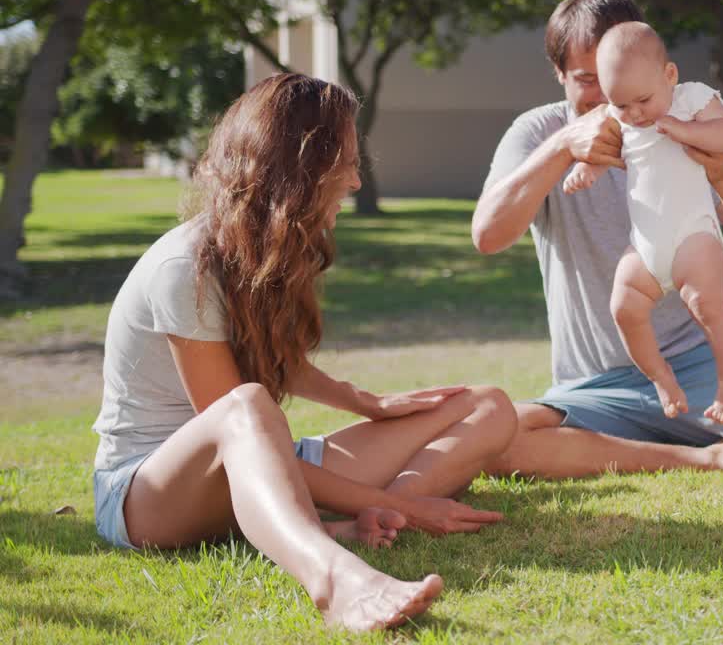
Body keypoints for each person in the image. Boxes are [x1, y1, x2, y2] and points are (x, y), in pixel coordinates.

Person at [91, 73, 517, 631]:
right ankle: (335, 577)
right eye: (342, 159)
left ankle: (359, 516)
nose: (357, 180)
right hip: (145, 494)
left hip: (258, 461)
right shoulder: (184, 269)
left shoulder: (271, 249)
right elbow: (230, 425)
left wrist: (368, 404)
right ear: (296, 167)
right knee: (247, 406)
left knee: (485, 405)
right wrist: (413, 504)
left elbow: (276, 361)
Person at [473, 0, 723, 478]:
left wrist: (721, 172)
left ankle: (721, 431)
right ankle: (707, 456)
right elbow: (487, 237)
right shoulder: (538, 132)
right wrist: (563, 149)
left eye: (621, 82)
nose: (611, 102)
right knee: (489, 444)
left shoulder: (685, 114)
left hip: (699, 362)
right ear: (559, 75)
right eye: (587, 81)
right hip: (594, 385)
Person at [563, 22, 723, 425]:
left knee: (706, 304)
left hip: (693, 235)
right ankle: (661, 378)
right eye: (621, 104)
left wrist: (687, 130)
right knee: (624, 308)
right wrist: (587, 169)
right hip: (645, 245)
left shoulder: (692, 99)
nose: (634, 113)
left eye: (643, 100)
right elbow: (601, 151)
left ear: (670, 75)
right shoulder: (621, 116)